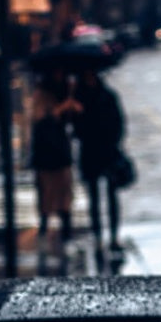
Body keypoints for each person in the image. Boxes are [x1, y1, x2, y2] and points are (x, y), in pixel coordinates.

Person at [72, 70, 126, 251]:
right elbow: (75, 128)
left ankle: (113, 235)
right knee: (94, 198)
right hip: (90, 152)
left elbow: (119, 123)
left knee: (111, 196)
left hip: (108, 151)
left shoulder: (108, 95)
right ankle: (97, 236)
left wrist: (113, 141)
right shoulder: (78, 98)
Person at [30, 69, 79, 240]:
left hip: (61, 153)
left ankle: (66, 229)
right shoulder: (41, 95)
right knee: (46, 195)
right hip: (45, 153)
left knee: (64, 194)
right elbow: (40, 120)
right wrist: (59, 109)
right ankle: (44, 227)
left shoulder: (67, 91)